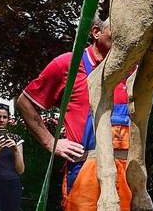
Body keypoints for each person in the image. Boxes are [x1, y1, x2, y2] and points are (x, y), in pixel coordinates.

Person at [17, 16, 132, 211]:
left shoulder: (130, 69)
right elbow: (24, 102)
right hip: (85, 173)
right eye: (117, 30)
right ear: (96, 32)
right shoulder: (68, 65)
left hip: (124, 173)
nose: (125, 36)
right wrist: (50, 141)